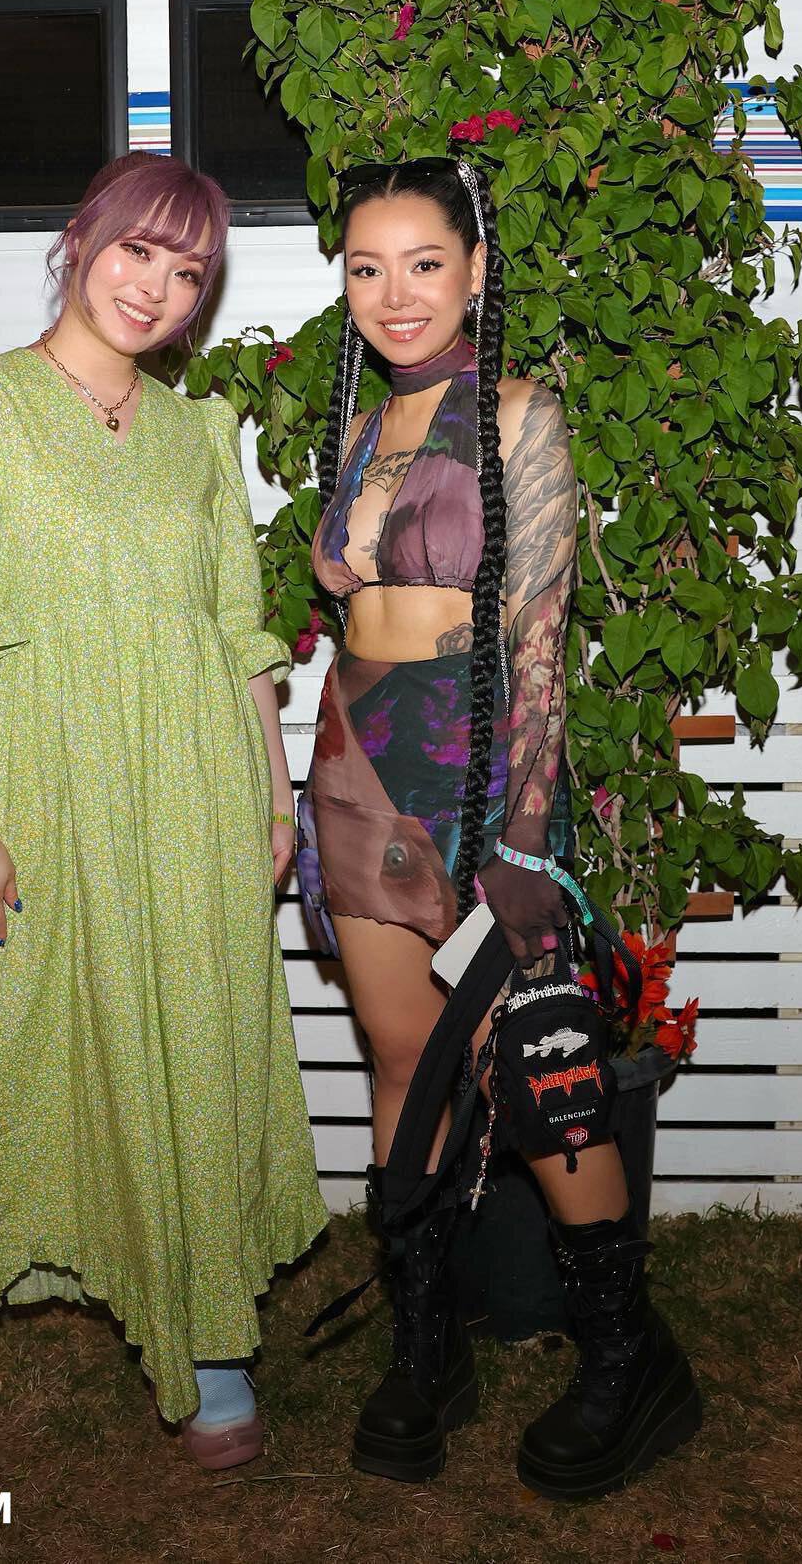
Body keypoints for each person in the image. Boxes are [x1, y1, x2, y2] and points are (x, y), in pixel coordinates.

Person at [0, 152, 329, 1536]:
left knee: (195, 1049)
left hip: (191, 796)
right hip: (38, 793)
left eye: (189, 273)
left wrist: (272, 792)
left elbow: (237, 630)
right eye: (138, 252)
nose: (157, 289)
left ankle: (208, 1331)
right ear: (80, 239)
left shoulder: (198, 432)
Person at [297, 158, 699, 1495]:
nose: (394, 293)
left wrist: (524, 843)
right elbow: (352, 618)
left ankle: (628, 1357)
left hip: (477, 774)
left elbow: (537, 637)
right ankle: (427, 1351)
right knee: (402, 1065)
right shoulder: (361, 426)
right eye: (366, 268)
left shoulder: (520, 415)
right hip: (358, 770)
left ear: (475, 271)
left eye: (423, 263)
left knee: (545, 1075)